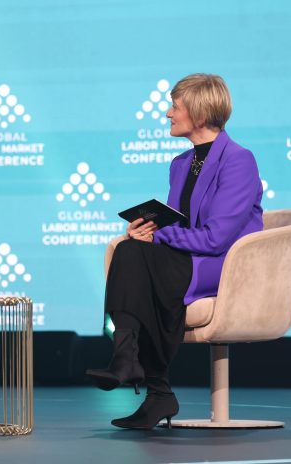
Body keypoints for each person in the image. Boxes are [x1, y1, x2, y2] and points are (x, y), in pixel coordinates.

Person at [86, 74, 263, 429]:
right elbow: (177, 225)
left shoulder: (238, 160)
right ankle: (143, 377)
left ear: (199, 113)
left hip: (223, 264)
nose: (168, 114)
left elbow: (215, 239)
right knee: (130, 249)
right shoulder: (181, 164)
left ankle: (143, 375)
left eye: (175, 107)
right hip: (187, 258)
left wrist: (159, 237)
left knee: (139, 260)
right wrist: (146, 231)